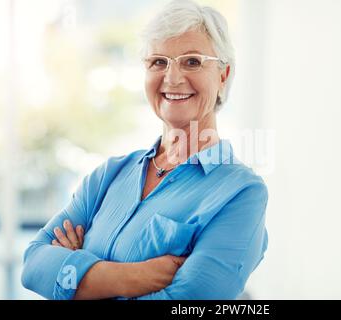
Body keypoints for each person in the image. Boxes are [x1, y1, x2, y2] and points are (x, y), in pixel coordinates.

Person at [21, 0, 268, 300]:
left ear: (223, 75)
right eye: (158, 62)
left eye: (192, 61)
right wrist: (132, 277)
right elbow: (33, 265)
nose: (172, 78)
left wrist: (76, 278)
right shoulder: (108, 176)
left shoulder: (241, 193)